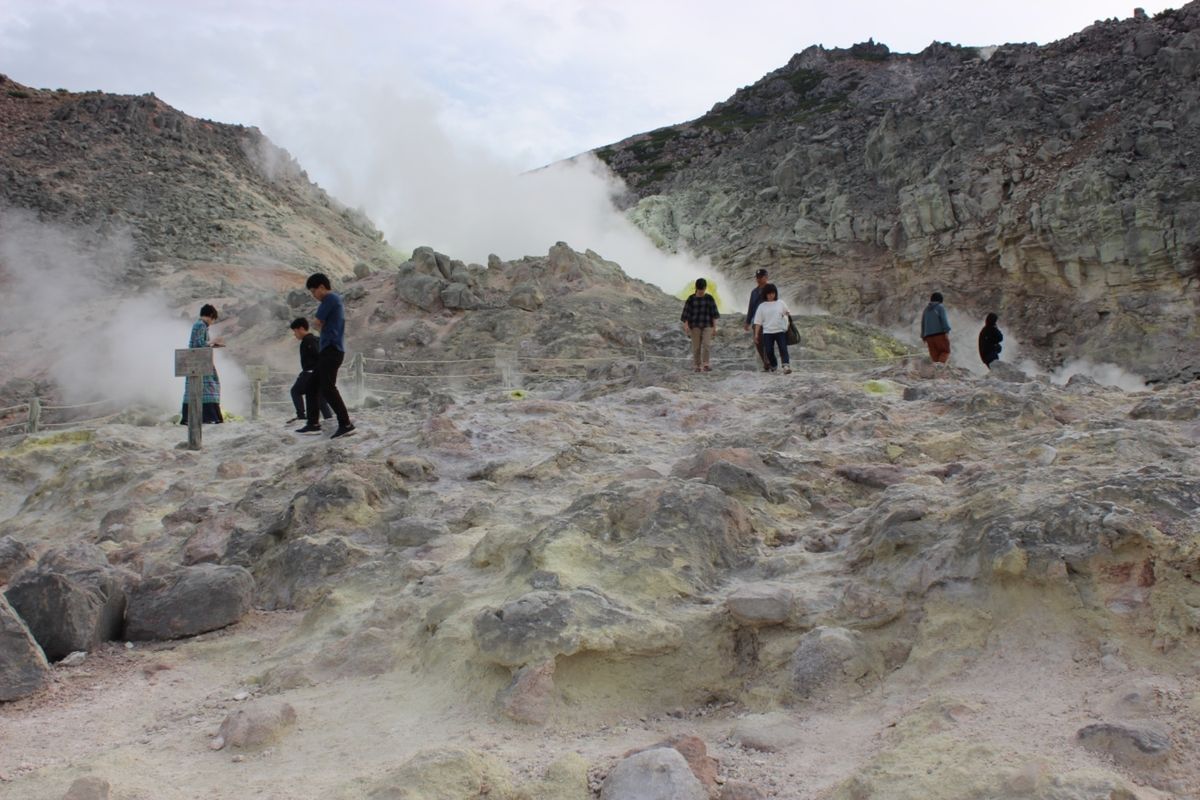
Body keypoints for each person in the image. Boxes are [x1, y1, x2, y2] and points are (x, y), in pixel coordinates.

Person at [297, 273, 356, 438]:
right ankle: (313, 423)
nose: (313, 296)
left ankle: (346, 423)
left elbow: (317, 322)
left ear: (322, 287)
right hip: (330, 350)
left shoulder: (329, 299)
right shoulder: (334, 300)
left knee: (328, 388)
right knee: (312, 386)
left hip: (332, 349)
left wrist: (320, 326)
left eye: (313, 291)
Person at [180, 304, 225, 425]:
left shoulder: (199, 325)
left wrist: (212, 345)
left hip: (199, 361)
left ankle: (198, 416)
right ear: (210, 316)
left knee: (200, 388)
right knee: (208, 387)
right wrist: (213, 342)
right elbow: (199, 344)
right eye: (213, 319)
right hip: (199, 362)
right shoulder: (200, 325)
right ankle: (208, 416)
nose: (212, 322)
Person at [288, 317, 333, 423]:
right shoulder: (315, 339)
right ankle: (329, 418)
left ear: (301, 328)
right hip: (320, 374)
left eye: (295, 331)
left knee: (295, 391)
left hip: (311, 373)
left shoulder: (309, 340)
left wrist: (309, 372)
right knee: (321, 399)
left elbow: (318, 355)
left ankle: (301, 416)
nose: (295, 335)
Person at [752, 283, 793, 374]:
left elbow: (787, 313)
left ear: (775, 293)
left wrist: (787, 317)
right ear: (765, 294)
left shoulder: (780, 303)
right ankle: (774, 365)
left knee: (783, 348)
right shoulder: (762, 306)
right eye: (769, 293)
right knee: (769, 350)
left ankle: (786, 366)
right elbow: (758, 322)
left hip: (780, 331)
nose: (771, 295)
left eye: (773, 293)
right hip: (767, 332)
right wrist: (756, 334)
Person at [681, 277, 720, 372]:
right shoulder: (691, 299)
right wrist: (686, 325)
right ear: (696, 288)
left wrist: (715, 328)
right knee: (696, 346)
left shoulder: (709, 298)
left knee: (706, 344)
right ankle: (697, 366)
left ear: (705, 288)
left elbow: (714, 314)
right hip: (695, 325)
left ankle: (706, 364)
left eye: (702, 289)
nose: (701, 291)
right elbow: (686, 313)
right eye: (699, 290)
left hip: (707, 324)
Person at [744, 268, 771, 371]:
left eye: (761, 277)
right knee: (758, 342)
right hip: (757, 321)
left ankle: (768, 362)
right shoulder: (754, 292)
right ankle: (766, 362)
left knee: (768, 342)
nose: (758, 279)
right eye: (757, 277)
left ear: (766, 277)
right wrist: (747, 321)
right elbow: (751, 307)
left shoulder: (771, 289)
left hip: (769, 320)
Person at [920, 292, 952, 363]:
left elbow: (923, 323)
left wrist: (923, 336)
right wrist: (947, 330)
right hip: (939, 335)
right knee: (945, 351)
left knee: (935, 357)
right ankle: (939, 368)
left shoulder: (926, 310)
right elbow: (943, 320)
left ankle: (936, 371)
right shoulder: (940, 307)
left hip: (928, 337)